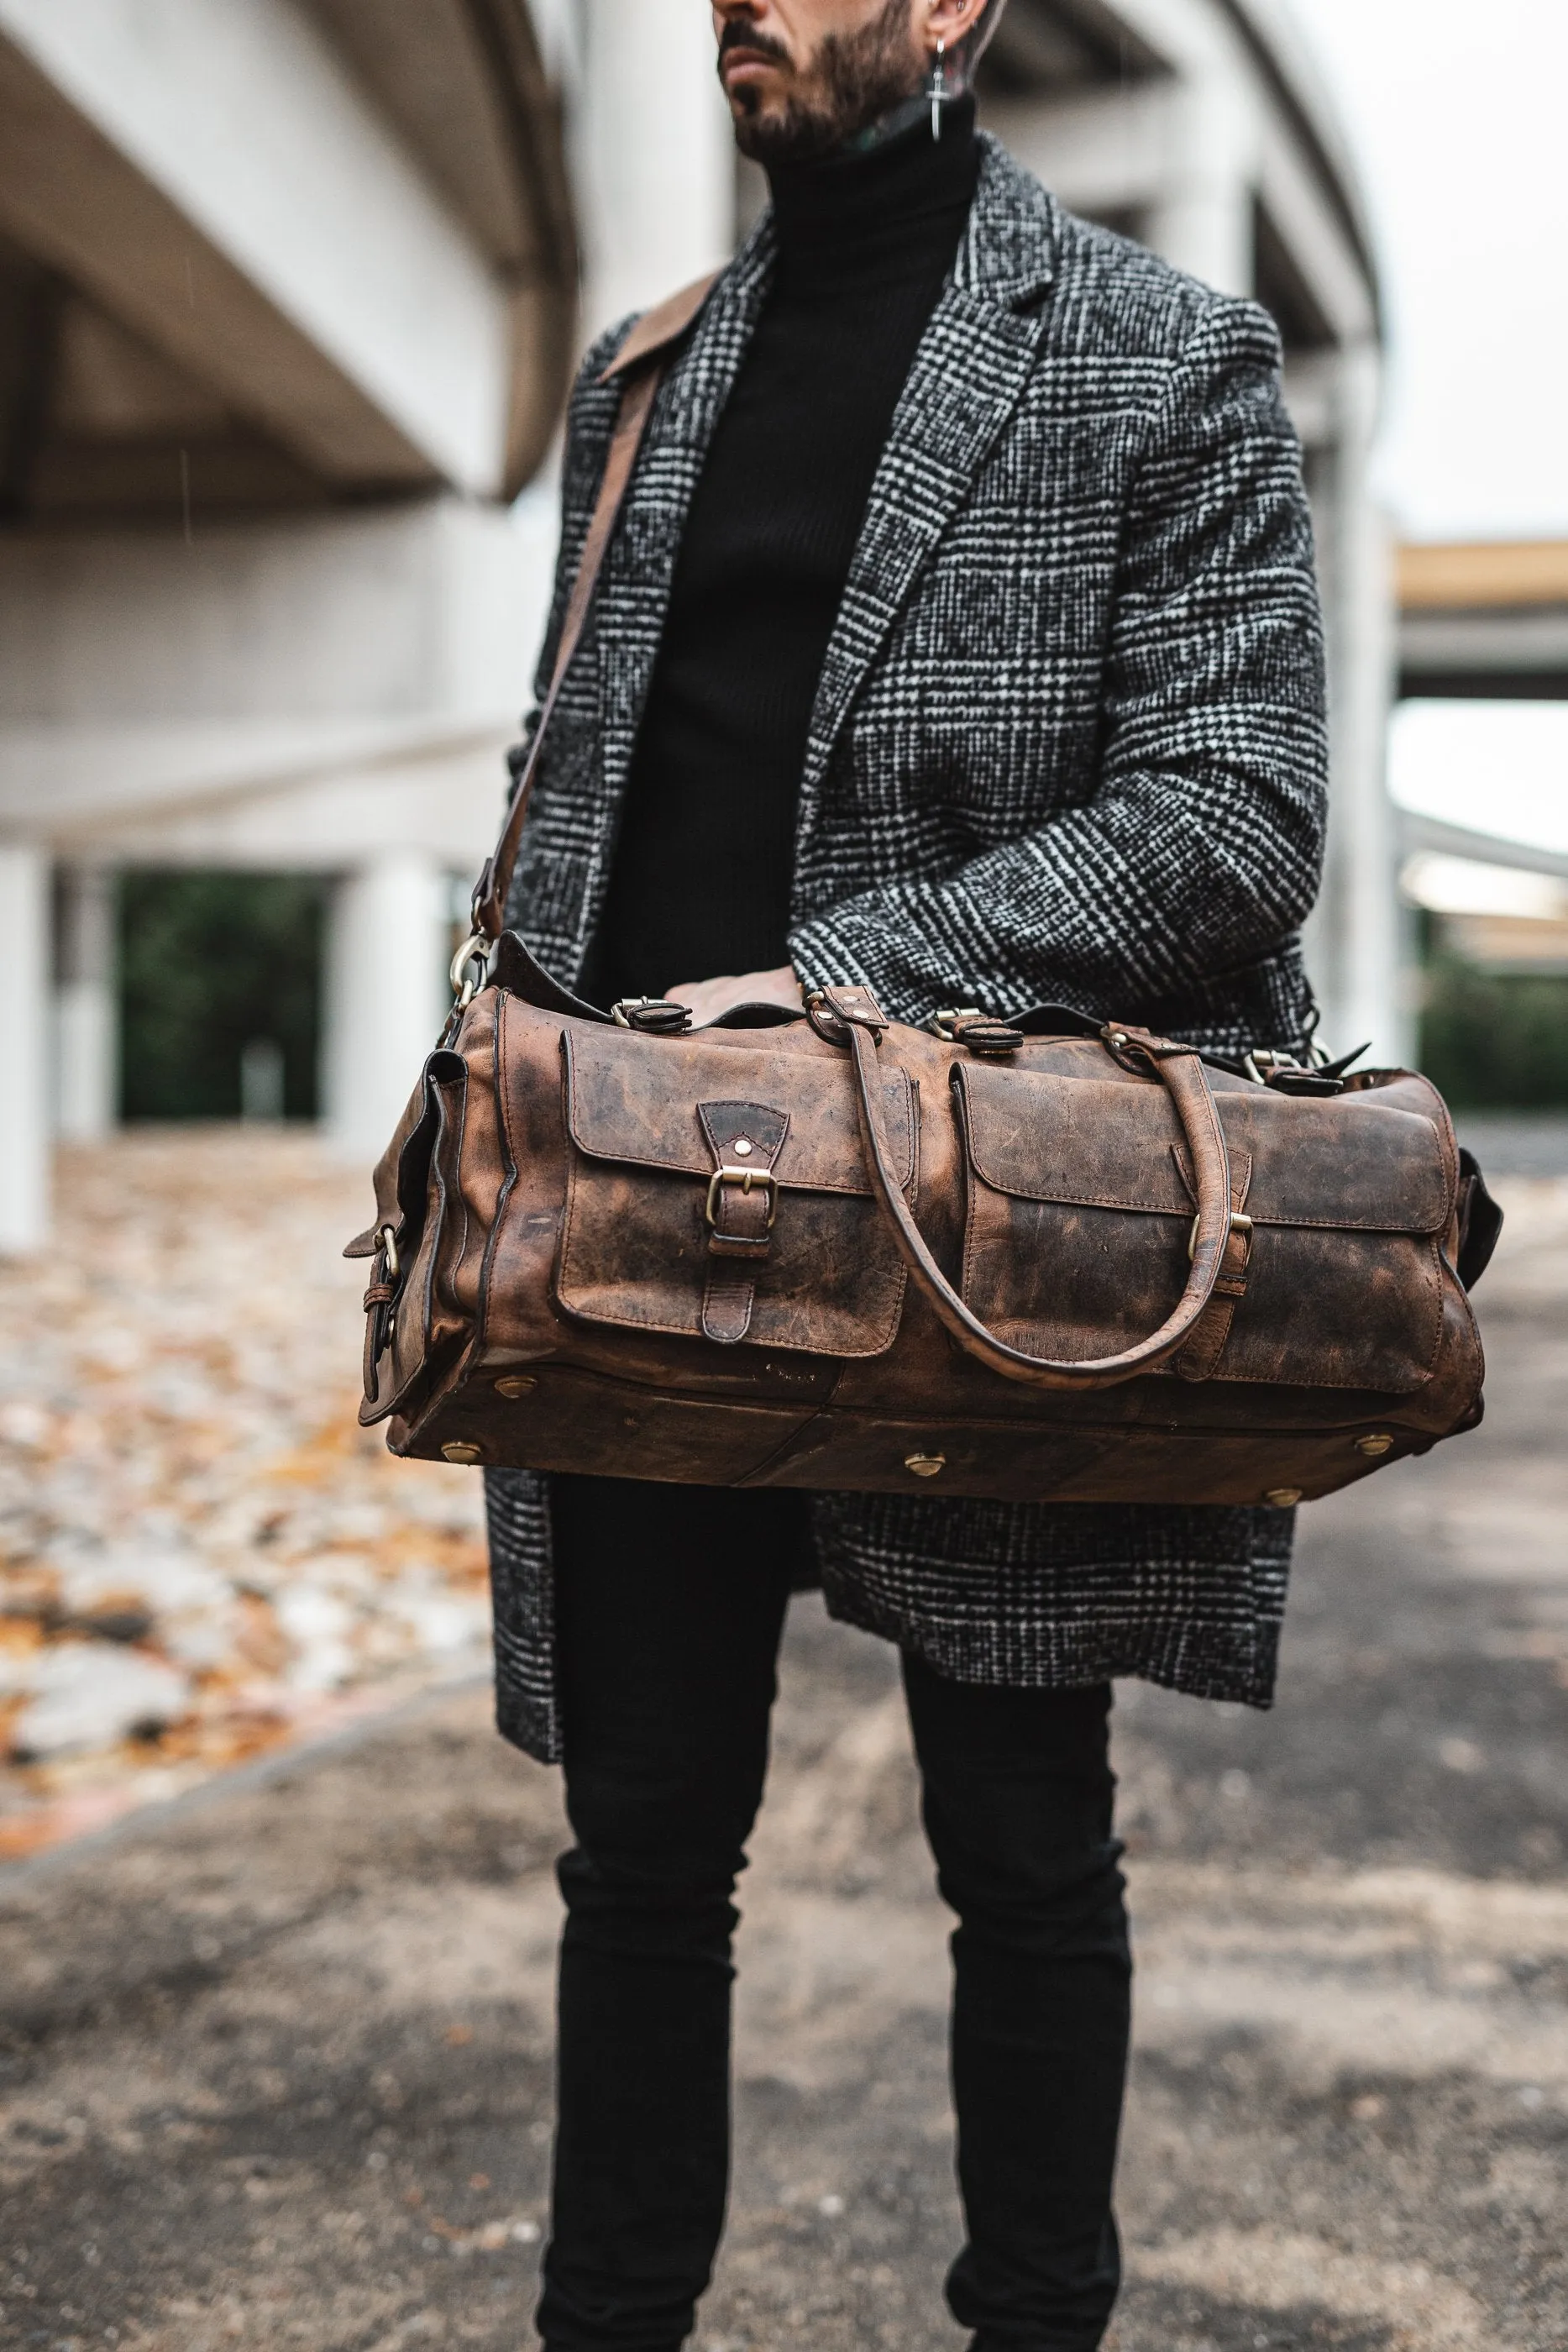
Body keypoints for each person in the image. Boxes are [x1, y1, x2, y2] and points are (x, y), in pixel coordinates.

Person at [485, 3, 1328, 2345]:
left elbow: (1242, 806)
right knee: (639, 1855)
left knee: (1023, 1847)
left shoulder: (1159, 354)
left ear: (953, 5)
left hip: (978, 1223)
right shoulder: (642, 376)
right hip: (645, 1213)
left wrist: (844, 976)